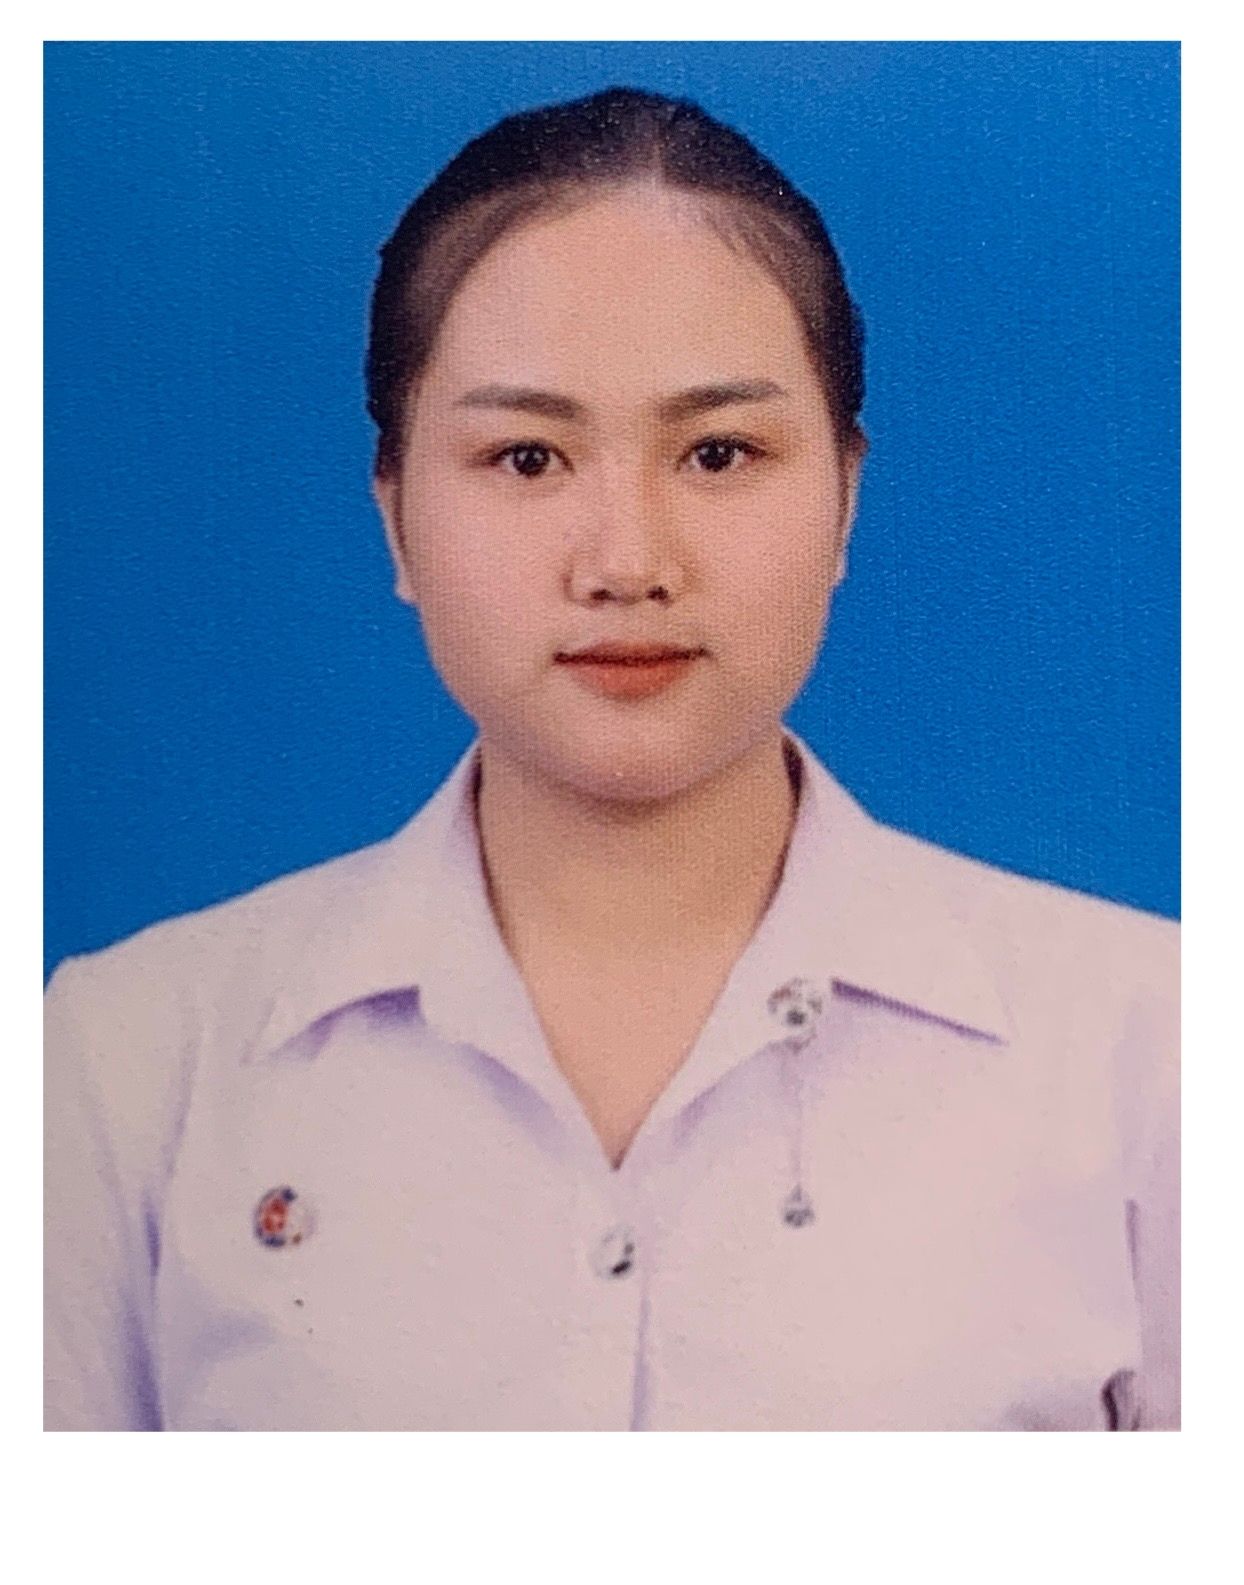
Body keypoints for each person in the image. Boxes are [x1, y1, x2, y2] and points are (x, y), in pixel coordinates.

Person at [44, 86, 1178, 1431]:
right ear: (397, 520)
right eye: (527, 457)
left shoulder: (1155, 1048)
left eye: (720, 452)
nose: (628, 562)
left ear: (845, 503)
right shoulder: (124, 1062)